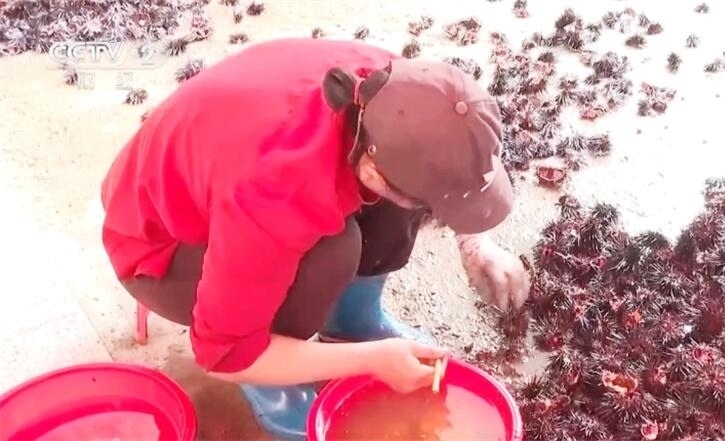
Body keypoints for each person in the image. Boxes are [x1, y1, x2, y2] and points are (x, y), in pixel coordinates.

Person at [100, 38, 530, 439]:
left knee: (401, 200)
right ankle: (270, 377)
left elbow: (451, 166)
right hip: (159, 243)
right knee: (330, 255)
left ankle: (352, 323)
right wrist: (370, 361)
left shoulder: (405, 94)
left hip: (234, 180)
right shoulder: (274, 190)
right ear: (372, 172)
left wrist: (476, 244)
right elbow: (220, 356)